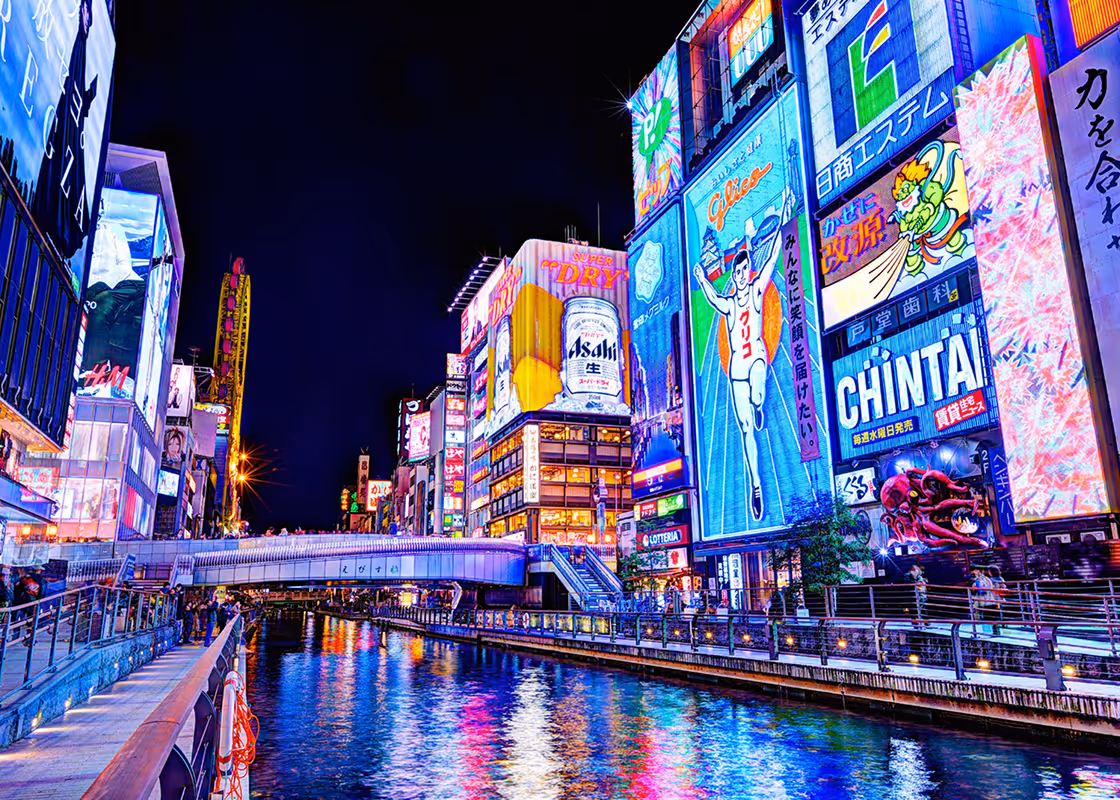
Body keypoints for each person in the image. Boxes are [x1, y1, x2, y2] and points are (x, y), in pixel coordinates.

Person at [690, 190, 794, 521]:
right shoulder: (731, 304)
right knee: (746, 428)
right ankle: (756, 484)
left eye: (744, 270)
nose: (741, 275)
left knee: (759, 390)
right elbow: (711, 297)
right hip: (736, 368)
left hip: (758, 358)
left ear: (747, 272)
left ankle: (761, 402)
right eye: (737, 272)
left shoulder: (759, 289)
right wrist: (702, 278)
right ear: (733, 276)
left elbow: (774, 256)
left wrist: (786, 215)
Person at [987, 566, 1007, 636]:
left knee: (994, 616)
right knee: (1001, 614)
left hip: (993, 600)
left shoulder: (990, 580)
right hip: (1001, 599)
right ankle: (1003, 627)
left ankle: (996, 631)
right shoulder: (1001, 579)